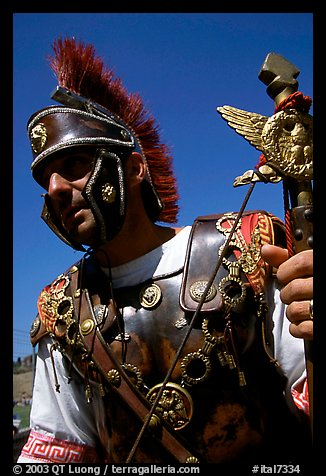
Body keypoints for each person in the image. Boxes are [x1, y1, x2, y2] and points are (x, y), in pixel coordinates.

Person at [18, 37, 313, 466]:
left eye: (76, 163)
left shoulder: (243, 246)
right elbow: (56, 451)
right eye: (45, 178)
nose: (56, 188)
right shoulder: (60, 311)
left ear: (134, 168)